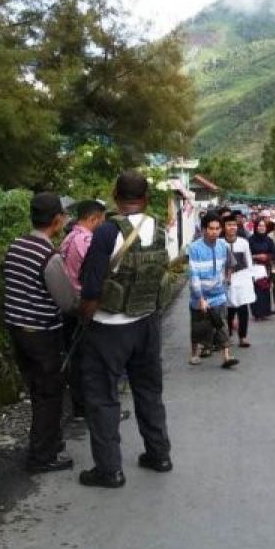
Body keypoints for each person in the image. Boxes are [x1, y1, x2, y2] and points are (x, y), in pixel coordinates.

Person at [78, 172, 176, 488]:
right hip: (147, 322)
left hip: (110, 327)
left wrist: (84, 319)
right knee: (149, 390)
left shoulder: (108, 231)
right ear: (146, 198)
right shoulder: (159, 228)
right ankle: (159, 455)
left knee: (103, 396)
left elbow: (91, 286)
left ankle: (109, 470)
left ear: (115, 196)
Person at [3, 193, 81, 474]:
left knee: (37, 390)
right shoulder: (49, 257)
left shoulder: (16, 246)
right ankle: (42, 457)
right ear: (57, 220)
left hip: (17, 329)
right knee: (50, 394)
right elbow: (67, 302)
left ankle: (46, 443)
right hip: (42, 334)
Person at [59, 199, 106, 421]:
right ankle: (89, 408)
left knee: (76, 357)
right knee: (90, 358)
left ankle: (80, 407)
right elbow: (95, 275)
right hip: (85, 304)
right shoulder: (87, 241)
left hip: (68, 304)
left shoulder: (68, 238)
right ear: (93, 218)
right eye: (102, 220)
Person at [187, 214, 238, 369]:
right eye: (211, 228)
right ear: (204, 229)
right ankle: (195, 353)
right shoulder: (195, 248)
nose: (214, 232)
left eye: (217, 228)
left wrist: (227, 279)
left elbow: (230, 264)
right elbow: (194, 274)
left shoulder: (223, 247)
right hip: (200, 295)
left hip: (219, 294)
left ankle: (226, 357)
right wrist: (200, 298)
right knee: (198, 326)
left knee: (221, 324)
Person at [223, 214, 255, 348]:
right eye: (229, 225)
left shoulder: (243, 242)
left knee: (243, 309)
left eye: (234, 225)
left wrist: (251, 277)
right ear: (224, 227)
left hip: (242, 279)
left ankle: (242, 337)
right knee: (229, 310)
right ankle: (228, 335)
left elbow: (248, 261)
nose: (232, 228)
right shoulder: (220, 243)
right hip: (226, 279)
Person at [248, 218, 275, 321]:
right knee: (256, 290)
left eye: (263, 226)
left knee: (265, 289)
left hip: (266, 268)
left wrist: (267, 257)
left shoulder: (268, 240)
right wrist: (256, 257)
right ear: (256, 227)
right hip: (254, 267)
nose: (261, 228)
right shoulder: (250, 240)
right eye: (259, 226)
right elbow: (246, 254)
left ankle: (265, 312)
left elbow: (274, 253)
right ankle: (257, 313)